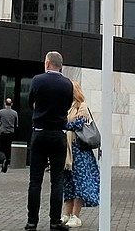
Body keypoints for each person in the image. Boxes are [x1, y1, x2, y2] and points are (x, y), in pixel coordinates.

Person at [26, 51, 73, 231]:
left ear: (47, 63)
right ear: (60, 65)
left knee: (35, 181)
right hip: (58, 135)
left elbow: (30, 102)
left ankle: (32, 222)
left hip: (39, 133)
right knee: (57, 180)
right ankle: (55, 221)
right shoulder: (67, 84)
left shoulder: (37, 80)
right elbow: (68, 105)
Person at [60, 81, 100, 228]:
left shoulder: (81, 106)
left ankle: (76, 216)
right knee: (68, 183)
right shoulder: (66, 107)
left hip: (80, 151)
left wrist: (59, 123)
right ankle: (66, 214)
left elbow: (78, 124)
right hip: (68, 152)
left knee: (80, 184)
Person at [0, 97, 19, 172]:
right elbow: (16, 124)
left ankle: (4, 159)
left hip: (3, 133)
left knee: (0, 148)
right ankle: (5, 164)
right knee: (8, 149)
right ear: (11, 104)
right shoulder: (15, 113)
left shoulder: (1, 112)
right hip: (11, 133)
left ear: (5, 104)